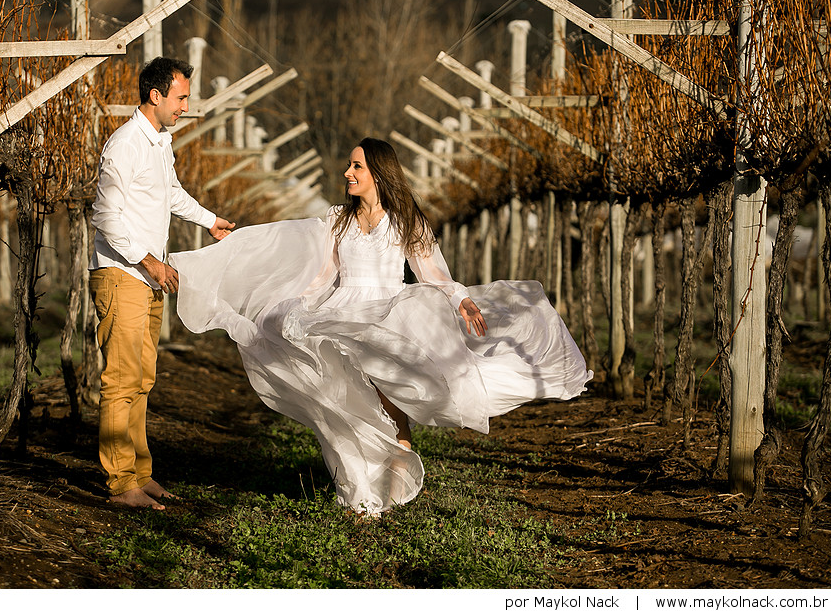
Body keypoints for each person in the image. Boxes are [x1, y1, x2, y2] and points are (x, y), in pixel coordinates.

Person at [170, 137, 591, 515]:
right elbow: (324, 274)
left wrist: (459, 297)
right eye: (349, 166)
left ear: (378, 174)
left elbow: (433, 274)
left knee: (390, 401)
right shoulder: (339, 219)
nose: (347, 173)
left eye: (357, 167)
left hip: (389, 313)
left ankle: (395, 480)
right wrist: (294, 303)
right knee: (346, 399)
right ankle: (358, 487)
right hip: (343, 310)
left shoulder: (406, 220)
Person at [88, 56, 235, 510]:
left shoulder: (160, 143)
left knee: (143, 379)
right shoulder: (125, 145)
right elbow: (105, 216)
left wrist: (210, 221)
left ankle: (140, 473)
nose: (185, 107)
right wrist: (150, 261)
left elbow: (170, 193)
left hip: (146, 278)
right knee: (120, 380)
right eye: (181, 98)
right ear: (156, 96)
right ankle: (120, 484)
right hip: (124, 274)